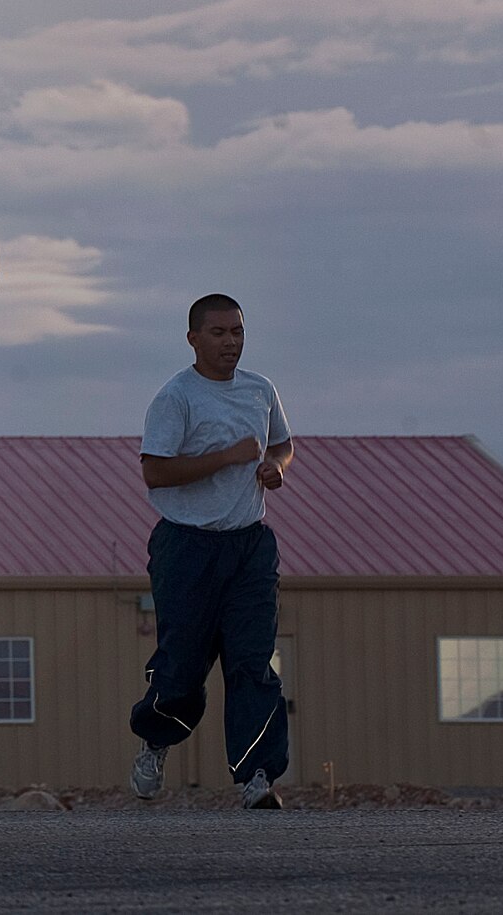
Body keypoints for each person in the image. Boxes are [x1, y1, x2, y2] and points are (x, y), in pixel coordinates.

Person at [129, 294, 294, 809]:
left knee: (252, 661)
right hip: (187, 546)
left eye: (238, 333)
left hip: (249, 544)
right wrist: (225, 458)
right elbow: (155, 471)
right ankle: (157, 739)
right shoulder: (176, 398)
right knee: (181, 668)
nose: (231, 343)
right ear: (194, 339)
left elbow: (282, 444)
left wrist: (275, 467)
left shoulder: (261, 390)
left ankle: (257, 776)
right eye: (219, 334)